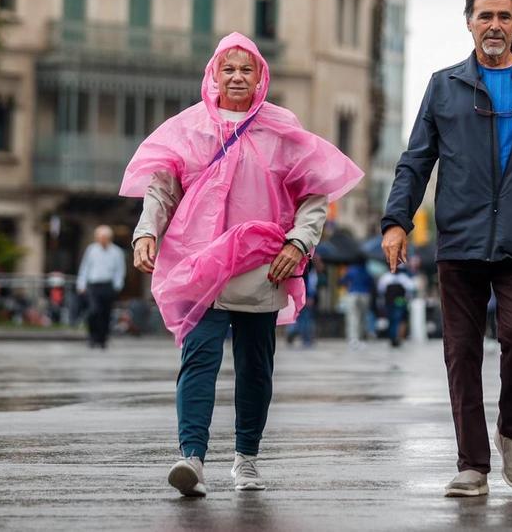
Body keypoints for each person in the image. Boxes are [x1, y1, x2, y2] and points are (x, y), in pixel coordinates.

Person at [121, 32, 362, 497]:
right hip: (199, 264)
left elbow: (314, 194)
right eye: (227, 68)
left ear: (260, 77)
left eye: (246, 69)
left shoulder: (281, 130)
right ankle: (191, 457)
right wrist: (146, 231)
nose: (236, 76)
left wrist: (299, 242)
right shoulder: (187, 128)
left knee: (256, 366)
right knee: (199, 360)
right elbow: (162, 187)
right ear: (213, 73)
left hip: (262, 265)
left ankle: (246, 460)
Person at [381, 0, 512, 497]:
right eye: (484, 16)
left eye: (504, 16)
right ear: (469, 22)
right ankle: (472, 465)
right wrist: (396, 220)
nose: (494, 26)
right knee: (462, 352)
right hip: (461, 239)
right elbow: (416, 161)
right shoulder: (444, 85)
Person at [75, 225, 125, 349]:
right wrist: (81, 283)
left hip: (108, 285)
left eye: (104, 237)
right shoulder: (91, 250)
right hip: (93, 285)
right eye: (99, 237)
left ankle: (103, 339)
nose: (102, 240)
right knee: (93, 311)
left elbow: (120, 270)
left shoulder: (116, 252)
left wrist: (117, 286)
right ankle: (92, 336)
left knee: (106, 313)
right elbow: (85, 268)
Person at [377, 266, 417, 347]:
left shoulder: (390, 277)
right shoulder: (391, 277)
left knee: (395, 320)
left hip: (396, 302)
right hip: (393, 302)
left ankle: (394, 338)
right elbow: (411, 287)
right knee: (394, 320)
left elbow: (381, 289)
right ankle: (393, 337)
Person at [339, 261, 376, 345]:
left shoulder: (351, 270)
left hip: (353, 294)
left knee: (352, 317)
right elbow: (372, 284)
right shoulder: (367, 271)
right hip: (365, 295)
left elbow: (342, 281)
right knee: (362, 318)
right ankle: (361, 338)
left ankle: (353, 339)